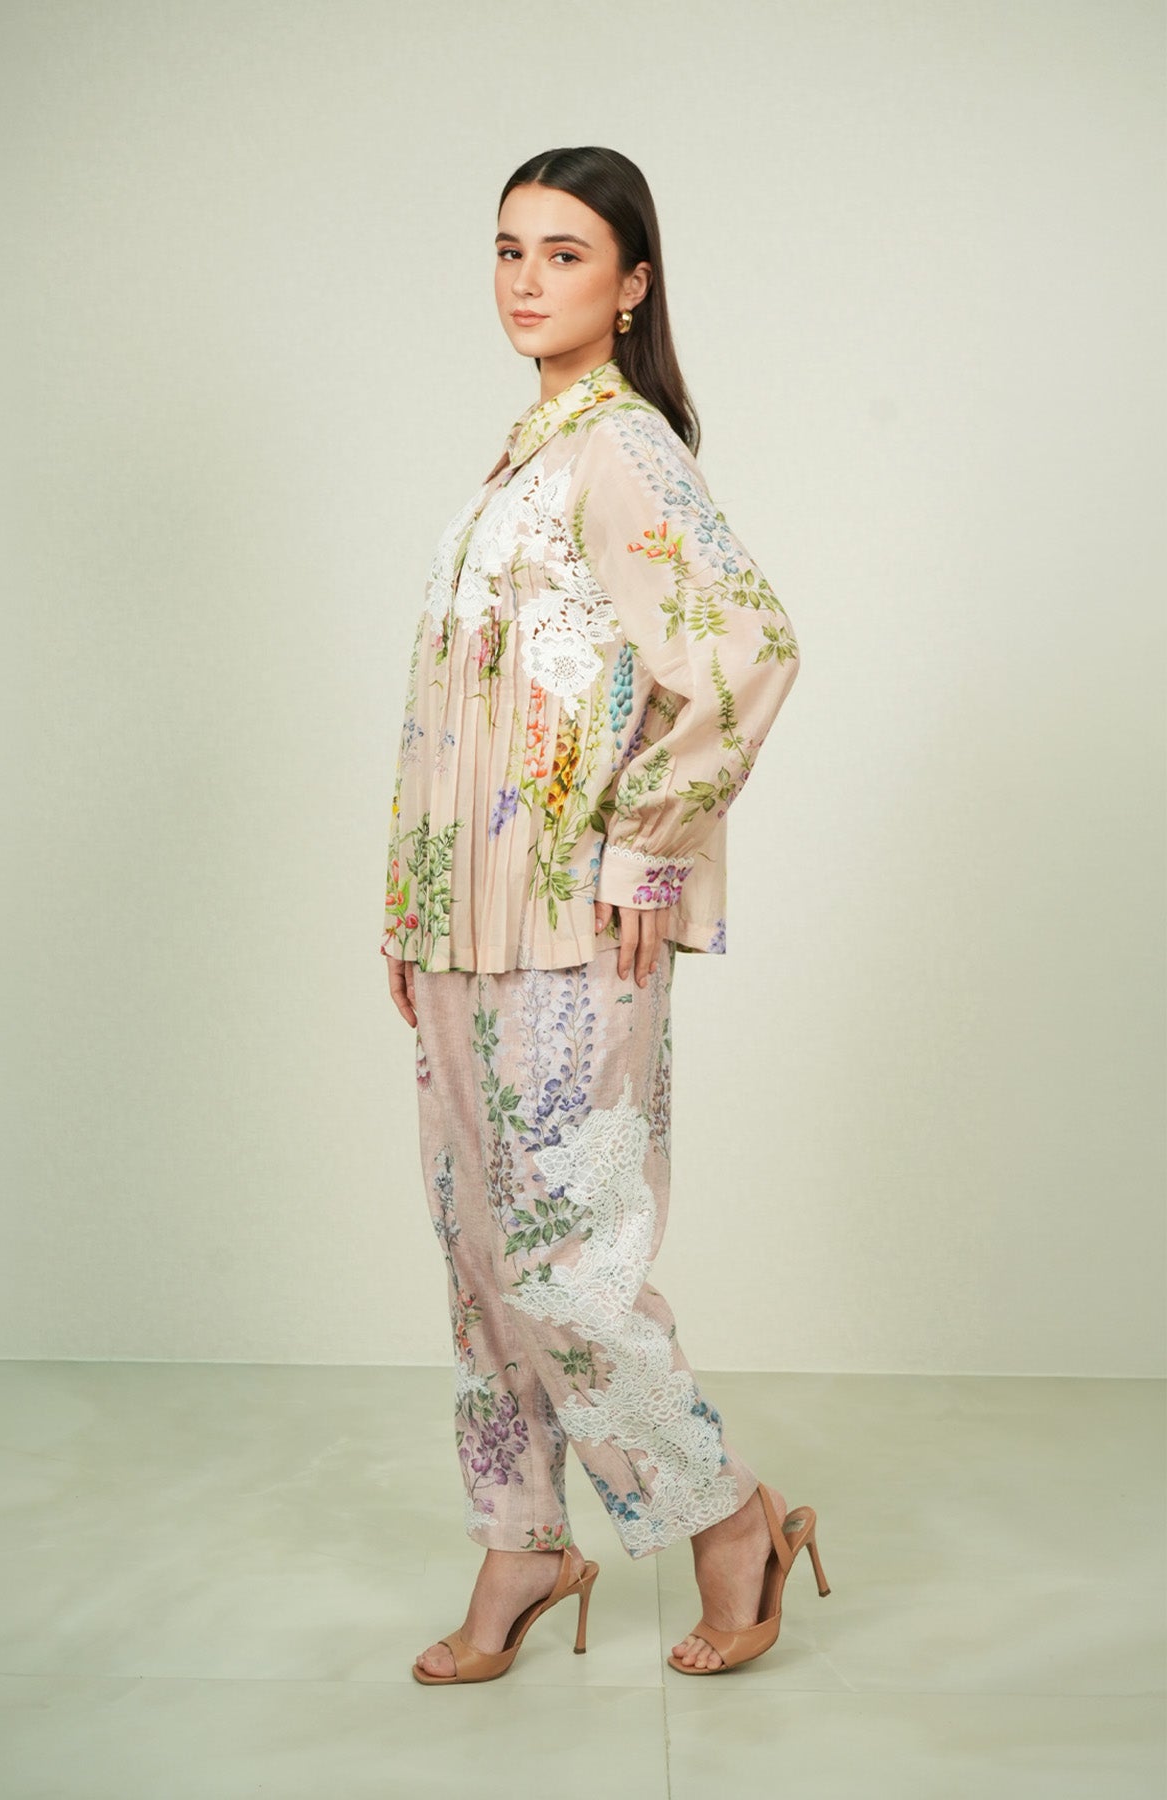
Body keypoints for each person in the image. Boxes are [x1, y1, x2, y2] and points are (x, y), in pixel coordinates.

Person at [381, 145, 826, 1684]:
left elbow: (748, 649)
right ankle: (524, 1539)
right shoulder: (522, 460)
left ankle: (729, 1516)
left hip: (575, 927)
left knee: (568, 1267)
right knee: (480, 1254)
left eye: (563, 254)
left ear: (631, 285)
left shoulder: (622, 451)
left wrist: (650, 852)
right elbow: (465, 712)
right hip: (463, 928)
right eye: (508, 249)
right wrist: (410, 907)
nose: (526, 280)